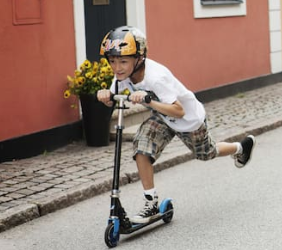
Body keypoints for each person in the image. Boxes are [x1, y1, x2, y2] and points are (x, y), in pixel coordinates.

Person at [96, 26, 256, 223]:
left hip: (188, 120)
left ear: (139, 58)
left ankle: (240, 148)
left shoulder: (156, 78)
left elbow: (179, 111)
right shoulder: (122, 76)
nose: (117, 67)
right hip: (163, 118)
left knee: (207, 153)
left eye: (123, 61)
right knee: (141, 148)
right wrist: (106, 96)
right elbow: (113, 99)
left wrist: (148, 101)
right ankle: (151, 203)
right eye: (112, 61)